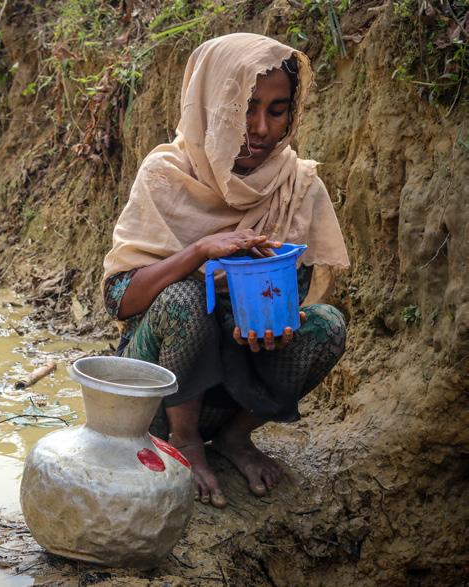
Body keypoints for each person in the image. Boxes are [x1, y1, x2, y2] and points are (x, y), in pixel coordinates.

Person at [102, 33, 350, 508]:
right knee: (183, 297)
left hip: (238, 385)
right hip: (155, 395)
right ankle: (185, 441)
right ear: (213, 105)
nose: (259, 128)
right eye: (245, 108)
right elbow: (120, 300)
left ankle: (235, 439)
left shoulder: (295, 185)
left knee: (328, 325)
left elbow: (288, 296)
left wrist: (270, 326)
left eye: (276, 111)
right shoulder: (166, 174)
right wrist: (198, 253)